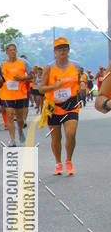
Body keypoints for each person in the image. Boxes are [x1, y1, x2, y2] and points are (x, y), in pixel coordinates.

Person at [39, 37, 80, 175]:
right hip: (53, 107)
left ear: (68, 50)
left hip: (71, 105)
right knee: (56, 138)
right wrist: (54, 86)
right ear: (55, 52)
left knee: (71, 133)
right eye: (59, 49)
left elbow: (81, 80)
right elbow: (41, 89)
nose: (62, 51)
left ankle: (68, 160)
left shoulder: (76, 66)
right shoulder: (49, 68)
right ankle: (58, 162)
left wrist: (84, 86)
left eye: (64, 48)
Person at [0, 44, 31, 145]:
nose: (13, 52)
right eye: (11, 50)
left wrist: (22, 79)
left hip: (20, 94)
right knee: (9, 115)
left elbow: (32, 75)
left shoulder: (23, 62)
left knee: (19, 117)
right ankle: (12, 140)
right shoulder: (3, 64)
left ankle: (20, 131)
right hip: (7, 94)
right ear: (7, 52)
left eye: (14, 50)